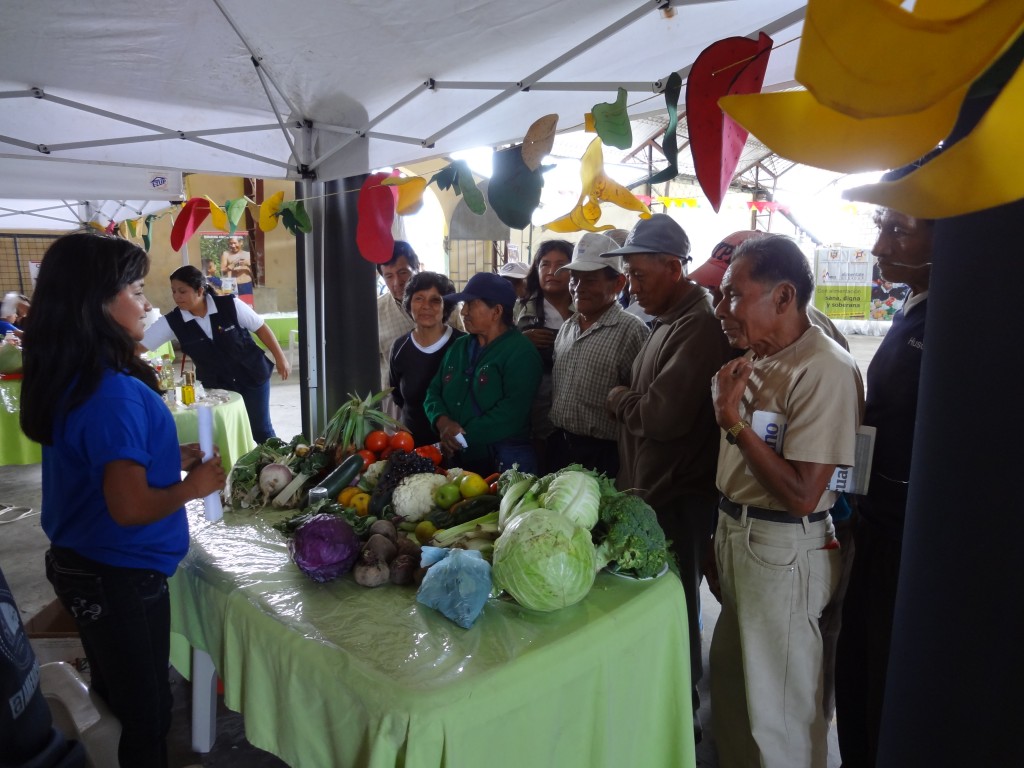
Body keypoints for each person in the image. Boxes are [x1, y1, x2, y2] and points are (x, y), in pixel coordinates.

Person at [19, 233, 226, 768]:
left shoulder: (76, 375)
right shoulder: (112, 390)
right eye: (136, 290)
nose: (148, 303)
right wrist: (192, 488)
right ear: (97, 303)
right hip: (121, 575)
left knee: (116, 690)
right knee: (147, 712)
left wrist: (165, 453)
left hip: (84, 563)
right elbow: (129, 507)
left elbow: (104, 461)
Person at [708, 234, 863, 768]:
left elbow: (802, 495)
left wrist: (734, 425)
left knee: (779, 710)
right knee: (734, 692)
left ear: (783, 297)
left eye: (733, 295)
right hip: (741, 536)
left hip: (781, 545)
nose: (722, 309)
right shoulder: (756, 358)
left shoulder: (823, 367)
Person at [603, 214, 733, 736]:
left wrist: (618, 399)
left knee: (677, 606)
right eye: (630, 275)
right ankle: (665, 701)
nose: (632, 286)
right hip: (652, 490)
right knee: (659, 603)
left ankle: (681, 717)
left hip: (679, 495)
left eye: (640, 274)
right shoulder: (666, 321)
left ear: (674, 267)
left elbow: (662, 417)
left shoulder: (698, 326)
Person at [835, 198, 934, 768]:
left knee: (882, 670)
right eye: (882, 229)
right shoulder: (915, 311)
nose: (880, 248)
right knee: (860, 666)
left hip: (906, 534)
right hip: (879, 520)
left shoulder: (962, 324)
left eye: (900, 231)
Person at [141, 265, 290, 443]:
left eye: (182, 291)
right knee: (226, 432)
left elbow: (261, 328)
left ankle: (276, 467)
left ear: (200, 291)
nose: (176, 297)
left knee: (261, 430)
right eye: (174, 291)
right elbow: (140, 344)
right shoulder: (173, 321)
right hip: (217, 385)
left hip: (252, 375)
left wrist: (281, 359)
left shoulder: (229, 305)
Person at [548, 233, 649, 478]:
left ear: (618, 284)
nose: (578, 288)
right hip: (560, 447)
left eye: (590, 280)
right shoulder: (567, 327)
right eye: (574, 279)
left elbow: (643, 403)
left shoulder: (632, 331)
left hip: (604, 455)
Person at [425, 272, 542, 476]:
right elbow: (433, 392)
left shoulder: (521, 352)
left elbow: (511, 413)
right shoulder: (459, 346)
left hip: (505, 464)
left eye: (471, 304)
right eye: (464, 305)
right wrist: (443, 423)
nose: (464, 312)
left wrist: (461, 437)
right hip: (459, 460)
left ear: (496, 311)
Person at [691, 230, 850, 350]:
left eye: (733, 294)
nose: (717, 309)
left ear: (782, 297)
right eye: (714, 291)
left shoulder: (811, 351)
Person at [514, 239, 574, 469]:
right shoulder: (520, 309)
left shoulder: (586, 307)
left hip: (573, 395)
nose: (551, 272)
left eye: (560, 265)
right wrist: (523, 341)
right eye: (545, 264)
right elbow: (499, 347)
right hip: (534, 395)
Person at [389, 271, 466, 447]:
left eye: (435, 300)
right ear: (409, 304)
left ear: (446, 307)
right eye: (419, 298)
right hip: (412, 447)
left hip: (455, 447)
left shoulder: (462, 344)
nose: (426, 306)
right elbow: (398, 397)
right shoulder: (400, 347)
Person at [219, 235, 254, 304]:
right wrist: (230, 266)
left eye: (235, 243)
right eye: (230, 243)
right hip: (231, 284)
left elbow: (255, 273)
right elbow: (222, 270)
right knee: (232, 305)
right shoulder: (226, 254)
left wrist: (248, 264)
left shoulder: (247, 254)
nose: (233, 246)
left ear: (241, 242)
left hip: (246, 284)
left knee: (247, 305)